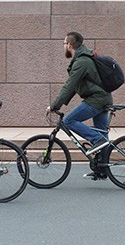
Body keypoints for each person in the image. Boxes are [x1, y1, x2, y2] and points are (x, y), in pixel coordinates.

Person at [46, 32, 113, 180]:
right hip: (103, 98)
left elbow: (69, 86)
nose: (64, 46)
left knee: (69, 121)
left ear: (69, 45)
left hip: (97, 100)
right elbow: (74, 87)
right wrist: (60, 104)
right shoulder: (84, 59)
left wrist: (54, 105)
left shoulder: (81, 61)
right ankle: (102, 170)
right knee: (102, 133)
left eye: (64, 44)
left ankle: (97, 141)